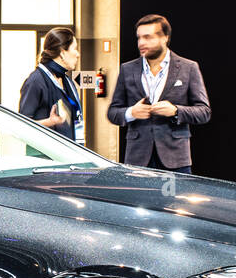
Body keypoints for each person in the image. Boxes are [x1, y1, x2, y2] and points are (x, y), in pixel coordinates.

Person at [107, 14, 211, 173]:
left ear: (165, 38)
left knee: (177, 199)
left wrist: (176, 111)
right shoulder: (127, 69)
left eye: (148, 37)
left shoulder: (188, 67)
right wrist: (131, 112)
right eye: (139, 38)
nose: (141, 43)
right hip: (137, 160)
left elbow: (204, 112)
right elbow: (113, 112)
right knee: (137, 199)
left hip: (176, 159)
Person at [18, 27, 83, 142]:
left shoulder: (67, 81)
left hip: (69, 154)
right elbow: (22, 126)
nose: (78, 54)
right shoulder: (36, 81)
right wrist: (50, 122)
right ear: (62, 53)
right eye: (75, 49)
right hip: (44, 157)